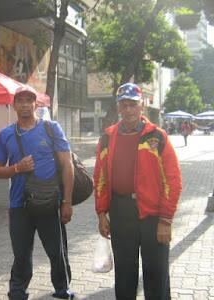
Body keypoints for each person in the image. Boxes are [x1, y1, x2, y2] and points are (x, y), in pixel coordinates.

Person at [94, 82, 182, 300]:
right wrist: (101, 213)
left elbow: (173, 180)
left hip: (153, 215)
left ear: (141, 105)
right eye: (123, 105)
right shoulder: (107, 137)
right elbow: (100, 177)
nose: (128, 110)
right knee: (124, 274)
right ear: (118, 108)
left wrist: (166, 220)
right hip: (120, 211)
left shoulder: (157, 137)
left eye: (133, 104)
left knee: (156, 274)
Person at [0, 86, 75, 300]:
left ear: (36, 104)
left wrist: (67, 201)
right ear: (14, 105)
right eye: (20, 101)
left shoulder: (51, 128)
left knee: (56, 251)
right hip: (19, 205)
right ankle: (18, 293)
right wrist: (17, 168)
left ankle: (62, 289)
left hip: (49, 201)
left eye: (29, 100)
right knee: (21, 255)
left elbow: (67, 165)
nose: (25, 105)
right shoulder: (6, 134)